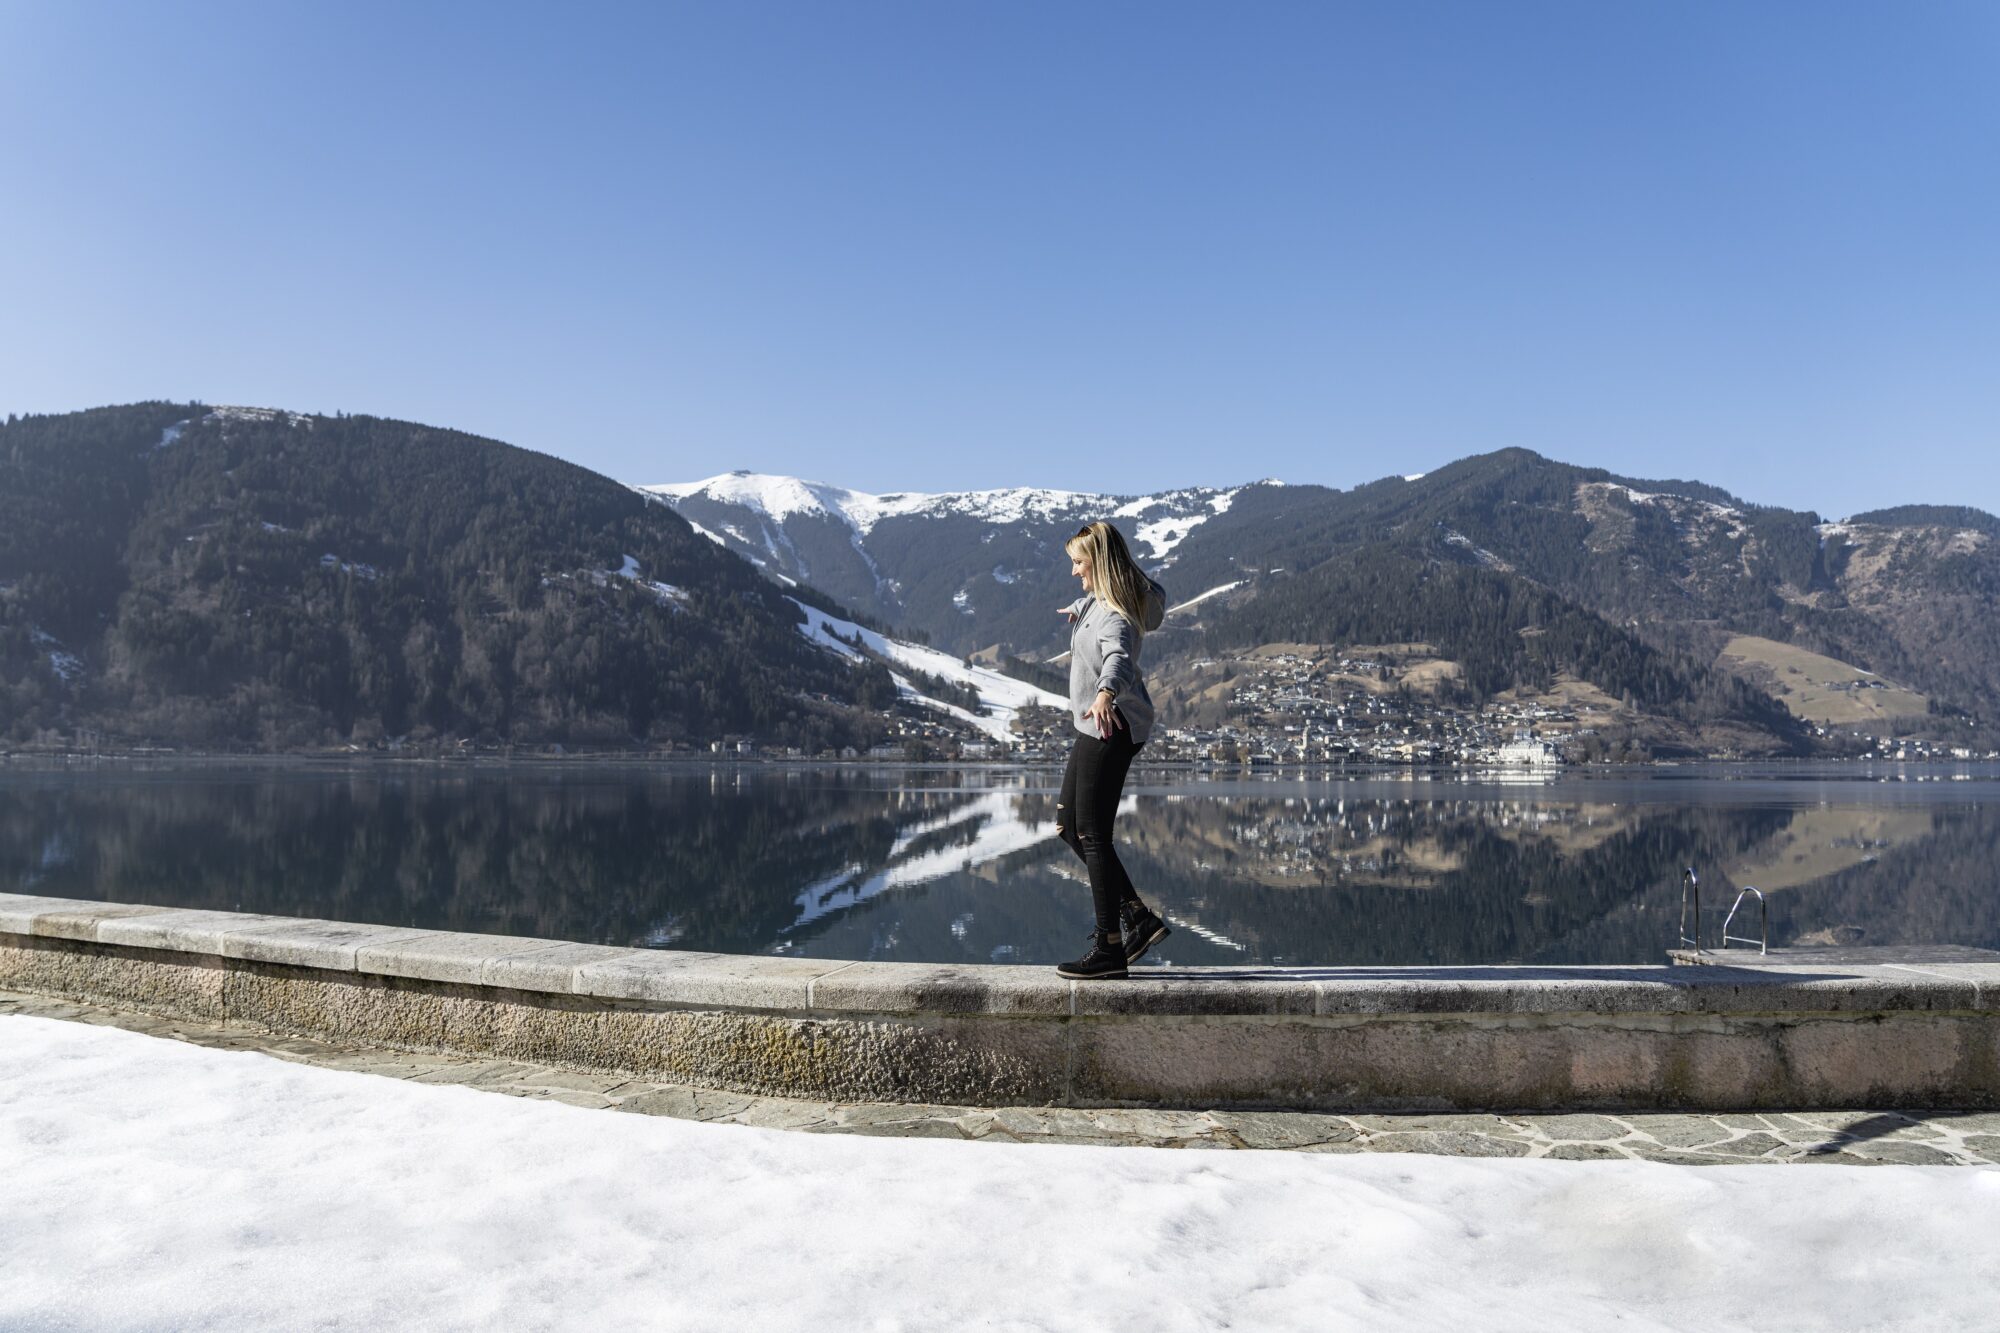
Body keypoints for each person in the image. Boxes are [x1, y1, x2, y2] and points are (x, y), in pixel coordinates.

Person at [1052, 521, 1171, 980]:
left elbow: (1119, 654)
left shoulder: (1114, 613)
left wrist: (1105, 692)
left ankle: (1110, 947)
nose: (1074, 571)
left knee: (1094, 834)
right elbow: (1104, 610)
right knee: (1069, 826)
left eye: (1079, 563)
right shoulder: (1099, 604)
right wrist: (1083, 606)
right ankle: (1136, 918)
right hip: (1093, 723)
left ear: (1099, 563)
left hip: (1111, 721)